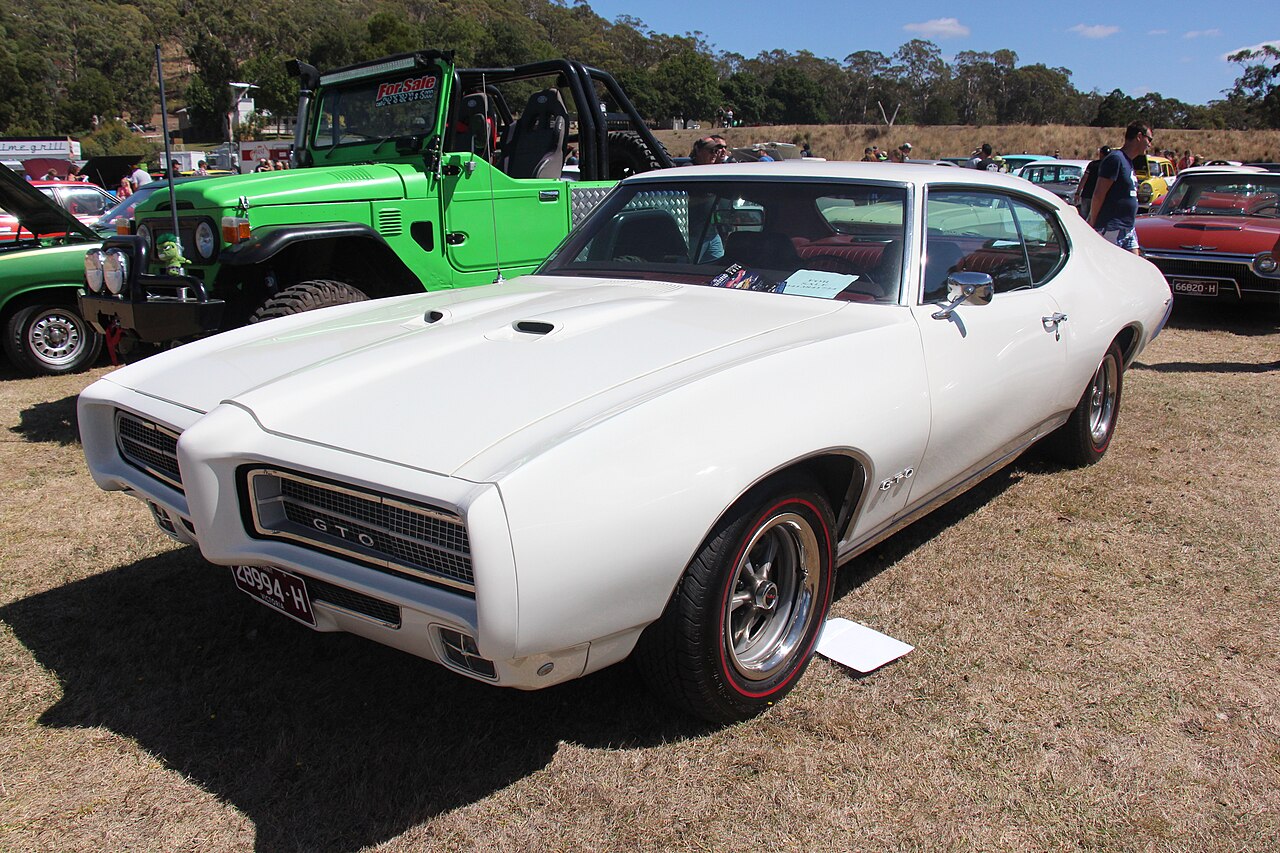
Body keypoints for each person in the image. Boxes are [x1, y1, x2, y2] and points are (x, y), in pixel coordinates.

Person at [1088, 122, 1151, 254]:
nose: (1150, 144)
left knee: (1135, 267)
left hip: (1128, 228)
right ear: (1139, 136)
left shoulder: (1128, 162)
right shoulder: (1115, 159)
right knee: (1111, 268)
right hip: (1112, 228)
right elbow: (1099, 194)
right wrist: (1093, 222)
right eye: (1149, 139)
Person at [1074, 145, 1111, 218]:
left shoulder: (1093, 164)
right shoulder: (1109, 166)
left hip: (1087, 194)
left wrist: (1078, 192)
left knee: (1084, 217)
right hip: (1100, 195)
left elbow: (1085, 178)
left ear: (1100, 153)